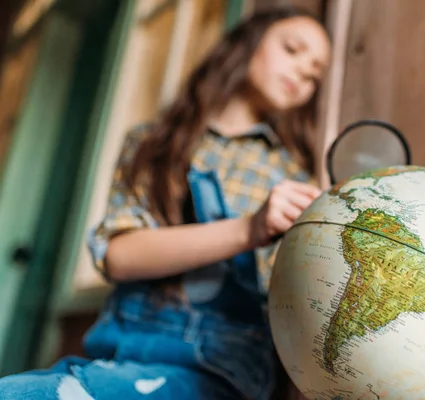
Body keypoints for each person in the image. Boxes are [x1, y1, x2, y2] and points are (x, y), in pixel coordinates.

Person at [0, 6, 330, 400]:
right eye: (293, 50)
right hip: (122, 348)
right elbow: (119, 254)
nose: (302, 73)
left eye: (314, 74)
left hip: (222, 369)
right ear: (248, 43)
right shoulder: (152, 144)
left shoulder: (294, 174)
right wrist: (247, 229)